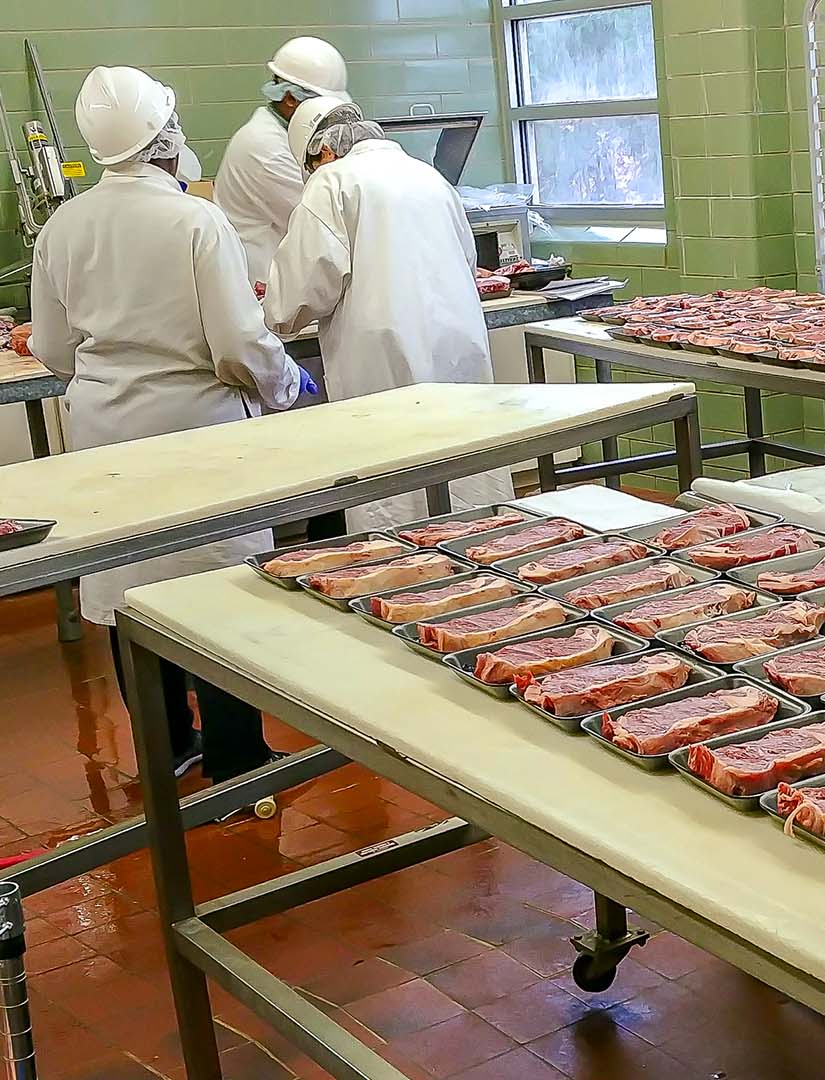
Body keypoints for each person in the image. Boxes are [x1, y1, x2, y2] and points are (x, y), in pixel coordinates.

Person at [29, 67, 317, 782]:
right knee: (213, 592)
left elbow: (55, 349)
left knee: (128, 592)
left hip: (101, 434)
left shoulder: (64, 225)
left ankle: (167, 750)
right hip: (197, 429)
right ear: (167, 138)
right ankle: (235, 755)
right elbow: (240, 345)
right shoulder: (194, 218)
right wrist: (291, 389)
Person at [263, 97, 514, 531]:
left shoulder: (332, 184)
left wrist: (270, 310)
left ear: (322, 152)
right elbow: (467, 259)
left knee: (398, 500)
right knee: (467, 477)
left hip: (384, 364)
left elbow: (291, 302)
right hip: (457, 349)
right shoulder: (429, 177)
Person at [214, 37, 349, 286]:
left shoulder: (287, 133)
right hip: (264, 275)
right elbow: (321, 219)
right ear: (290, 99)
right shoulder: (265, 148)